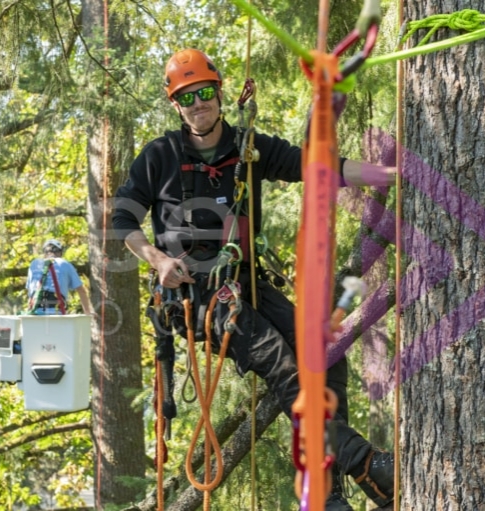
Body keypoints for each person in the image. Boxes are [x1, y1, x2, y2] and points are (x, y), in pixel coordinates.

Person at [112, 48, 394, 510]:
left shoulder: (250, 149)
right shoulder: (159, 156)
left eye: (204, 93)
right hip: (194, 297)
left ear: (220, 93)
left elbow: (318, 167)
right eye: (187, 98)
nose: (197, 104)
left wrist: (385, 174)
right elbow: (123, 217)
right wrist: (157, 259)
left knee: (328, 354)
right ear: (176, 105)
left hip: (246, 283)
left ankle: (329, 492)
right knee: (286, 369)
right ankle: (364, 463)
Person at [26, 239, 92, 316]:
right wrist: (87, 313)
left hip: (35, 312)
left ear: (45, 252)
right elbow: (81, 291)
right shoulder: (65, 264)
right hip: (56, 312)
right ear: (60, 252)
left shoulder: (34, 264)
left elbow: (30, 293)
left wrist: (29, 313)